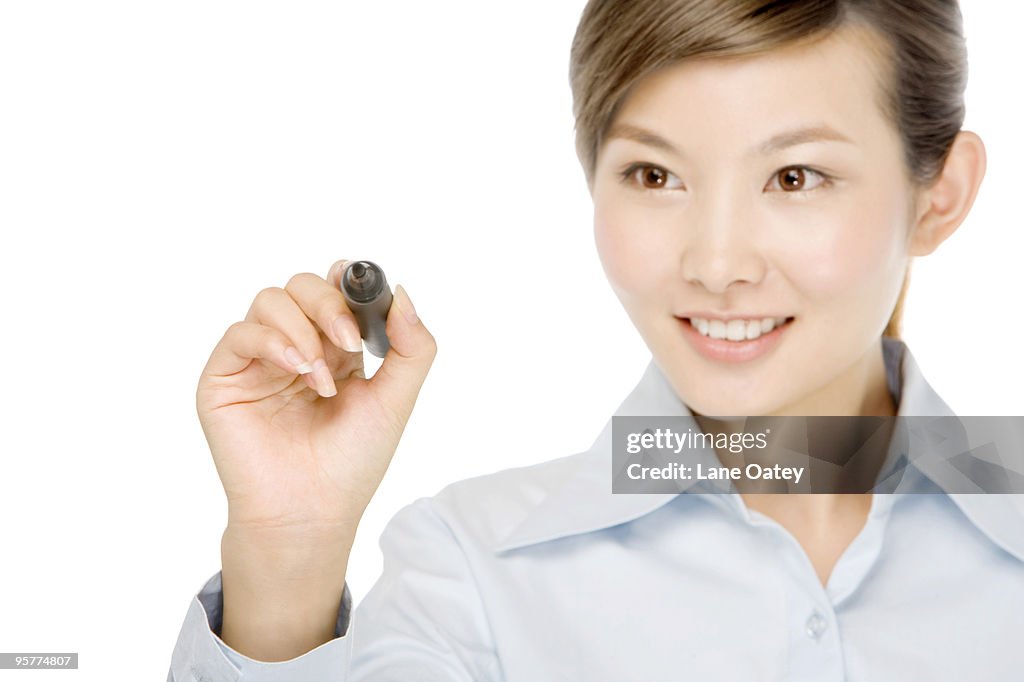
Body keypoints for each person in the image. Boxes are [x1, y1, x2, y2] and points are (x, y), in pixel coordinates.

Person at [168, 1, 1024, 679]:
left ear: (941, 195)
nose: (716, 263)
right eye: (654, 175)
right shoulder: (470, 569)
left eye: (794, 177)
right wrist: (290, 555)